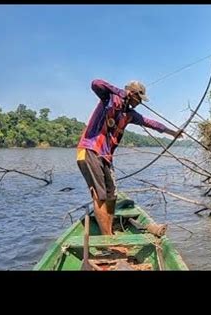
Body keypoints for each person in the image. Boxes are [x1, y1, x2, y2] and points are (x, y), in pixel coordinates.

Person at [77, 78, 182, 236]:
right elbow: (95, 83)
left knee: (111, 196)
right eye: (139, 99)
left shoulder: (129, 114)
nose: (139, 102)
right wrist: (120, 92)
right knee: (100, 196)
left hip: (106, 156)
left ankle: (109, 230)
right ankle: (108, 241)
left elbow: (151, 123)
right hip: (90, 150)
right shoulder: (109, 98)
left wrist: (173, 132)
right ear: (131, 94)